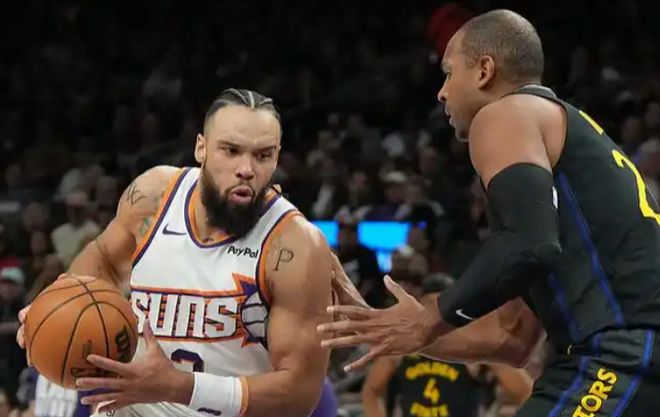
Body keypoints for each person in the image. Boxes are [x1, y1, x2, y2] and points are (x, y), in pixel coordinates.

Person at [319, 9, 660, 417]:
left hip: (622, 353)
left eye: (448, 73)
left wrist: (428, 319)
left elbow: (529, 244)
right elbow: (510, 338)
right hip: (623, 355)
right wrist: (386, 326)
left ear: (484, 71)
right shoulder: (556, 147)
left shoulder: (506, 113)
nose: (441, 93)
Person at [17, 88, 335, 417]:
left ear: (277, 158)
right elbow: (104, 259)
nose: (246, 168)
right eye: (231, 150)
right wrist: (55, 305)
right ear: (201, 147)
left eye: (263, 155)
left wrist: (180, 387)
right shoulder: (154, 196)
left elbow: (298, 394)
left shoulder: (296, 245)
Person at [361, 274, 533, 417]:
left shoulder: (475, 344)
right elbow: (371, 390)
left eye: (441, 308)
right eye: (430, 307)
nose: (436, 317)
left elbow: (525, 392)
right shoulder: (405, 344)